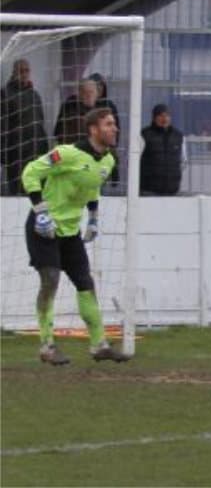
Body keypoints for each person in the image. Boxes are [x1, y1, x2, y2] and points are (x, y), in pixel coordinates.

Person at [21, 107, 131, 365]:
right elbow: (30, 172)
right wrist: (40, 211)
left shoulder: (108, 160)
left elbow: (92, 188)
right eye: (108, 124)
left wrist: (93, 217)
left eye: (114, 124)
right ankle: (47, 346)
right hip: (43, 228)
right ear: (94, 129)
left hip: (71, 231)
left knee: (85, 283)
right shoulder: (68, 153)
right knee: (50, 280)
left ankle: (99, 345)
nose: (114, 128)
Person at [1, 59, 48, 196]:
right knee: (17, 191)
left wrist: (44, 146)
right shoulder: (5, 93)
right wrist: (3, 152)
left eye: (27, 70)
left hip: (35, 151)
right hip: (16, 152)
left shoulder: (35, 95)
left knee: (35, 191)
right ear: (14, 72)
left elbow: (41, 122)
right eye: (21, 71)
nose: (24, 74)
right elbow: (3, 125)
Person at [140, 104, 185, 196]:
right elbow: (135, 159)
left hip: (172, 189)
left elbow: (184, 160)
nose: (164, 119)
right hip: (149, 190)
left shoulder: (178, 136)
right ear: (154, 118)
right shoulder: (145, 135)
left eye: (167, 115)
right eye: (161, 115)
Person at [54, 80, 98, 145]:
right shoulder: (70, 111)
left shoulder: (97, 111)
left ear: (97, 94)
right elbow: (60, 135)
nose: (89, 96)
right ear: (79, 94)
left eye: (92, 92)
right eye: (86, 92)